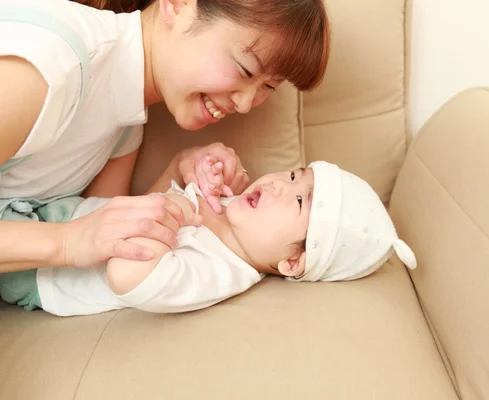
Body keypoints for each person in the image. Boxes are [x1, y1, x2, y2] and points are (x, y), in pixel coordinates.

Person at [0, 0, 330, 273]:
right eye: (245, 70)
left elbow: (106, 237)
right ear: (179, 5)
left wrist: (178, 169)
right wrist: (65, 242)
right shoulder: (50, 68)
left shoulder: (125, 125)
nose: (245, 104)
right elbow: (78, 238)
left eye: (268, 88)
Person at [0, 156, 417, 316]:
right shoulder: (229, 208)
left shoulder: (219, 273)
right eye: (293, 175)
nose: (277, 185)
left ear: (293, 263)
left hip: (35, 270)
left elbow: (125, 273)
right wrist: (186, 165)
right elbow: (141, 202)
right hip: (55, 211)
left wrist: (181, 208)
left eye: (298, 201)